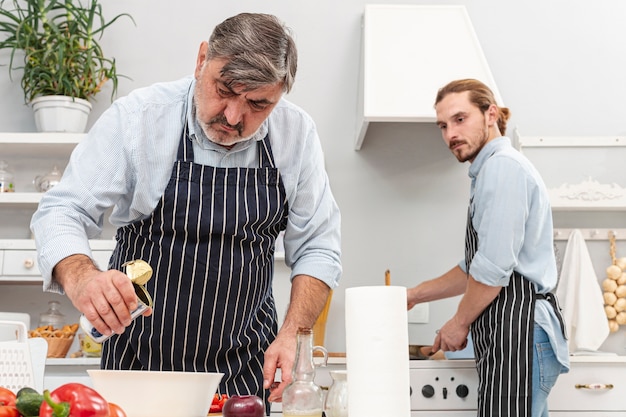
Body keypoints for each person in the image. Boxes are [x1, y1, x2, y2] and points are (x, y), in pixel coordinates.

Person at [30, 12, 341, 408]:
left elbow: (318, 245)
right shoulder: (139, 118)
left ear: (278, 96)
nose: (233, 117)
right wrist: (83, 278)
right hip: (138, 365)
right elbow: (61, 210)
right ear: (201, 60)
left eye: (258, 104)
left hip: (244, 370)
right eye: (224, 89)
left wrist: (295, 334)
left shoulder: (296, 134)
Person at [406, 79, 569, 417]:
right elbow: (474, 268)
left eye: (460, 119)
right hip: (515, 334)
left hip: (520, 333)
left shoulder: (502, 168)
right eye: (443, 125)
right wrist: (415, 295)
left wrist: (458, 323)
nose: (450, 133)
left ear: (490, 114)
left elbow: (493, 269)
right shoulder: (491, 170)